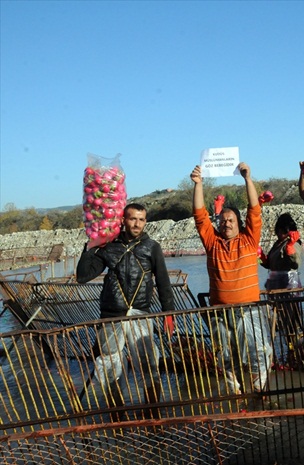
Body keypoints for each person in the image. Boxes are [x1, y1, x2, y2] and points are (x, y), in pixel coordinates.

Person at [76, 203, 175, 421]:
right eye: (132, 219)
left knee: (148, 362)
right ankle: (117, 413)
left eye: (141, 219)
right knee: (110, 363)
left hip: (141, 313)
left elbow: (163, 282)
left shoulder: (152, 247)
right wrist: (91, 245)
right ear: (123, 220)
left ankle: (153, 412)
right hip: (111, 315)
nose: (137, 223)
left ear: (145, 222)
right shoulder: (110, 247)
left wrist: (169, 313)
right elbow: (82, 276)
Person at [190, 163, 272, 394]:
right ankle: (235, 393)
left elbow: (255, 210)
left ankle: (259, 392)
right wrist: (198, 184)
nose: (226, 223)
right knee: (225, 356)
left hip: (250, 310)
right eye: (223, 220)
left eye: (231, 220)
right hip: (219, 312)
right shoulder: (212, 242)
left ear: (239, 223)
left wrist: (247, 179)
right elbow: (199, 216)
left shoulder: (249, 240)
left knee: (261, 351)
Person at [260, 213, 304, 345]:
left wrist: (290, 247)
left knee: (291, 322)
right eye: (279, 230)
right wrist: (260, 257)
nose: (281, 233)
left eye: (284, 231)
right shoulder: (277, 244)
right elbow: (269, 264)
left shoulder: (293, 243)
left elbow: (296, 263)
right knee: (278, 323)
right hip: (275, 289)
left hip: (289, 288)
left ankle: (295, 350)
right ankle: (286, 349)